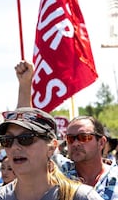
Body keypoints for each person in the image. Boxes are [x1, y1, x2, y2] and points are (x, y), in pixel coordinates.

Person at [15, 60, 118, 200]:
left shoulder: (115, 177)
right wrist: (25, 84)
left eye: (84, 137)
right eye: (70, 138)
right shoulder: (58, 171)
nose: (75, 143)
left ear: (101, 142)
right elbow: (26, 130)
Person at [0, 107, 102, 200]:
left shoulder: (80, 197)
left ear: (52, 147)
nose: (14, 147)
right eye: (7, 140)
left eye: (26, 138)